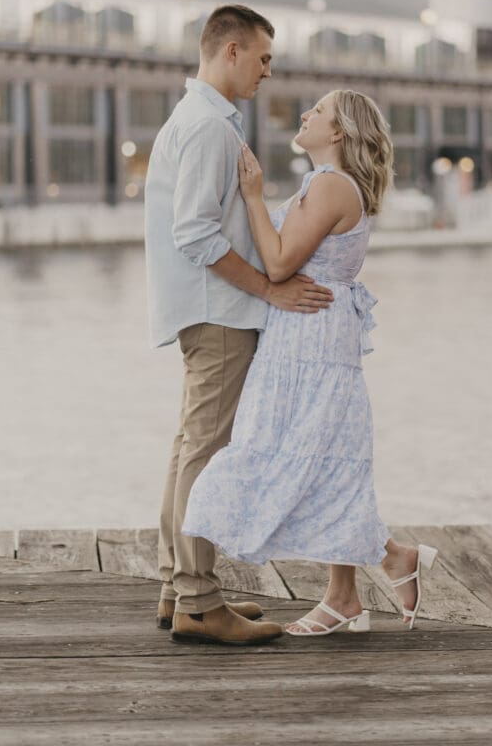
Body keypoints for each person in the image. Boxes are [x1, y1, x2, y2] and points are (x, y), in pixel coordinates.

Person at [183, 89, 439, 636]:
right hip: (303, 337)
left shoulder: (330, 186)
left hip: (312, 340)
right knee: (323, 460)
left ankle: (191, 583)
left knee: (286, 456)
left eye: (317, 112)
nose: (304, 115)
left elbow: (277, 264)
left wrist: (252, 195)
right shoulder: (322, 184)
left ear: (340, 132)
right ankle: (355, 588)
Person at [144, 4, 335, 646]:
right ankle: (199, 602)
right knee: (205, 453)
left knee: (189, 448)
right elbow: (195, 232)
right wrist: (269, 290)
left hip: (205, 311)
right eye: (262, 58)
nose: (267, 72)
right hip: (219, 313)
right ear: (230, 52)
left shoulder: (202, 120)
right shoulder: (207, 128)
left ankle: (179, 589)